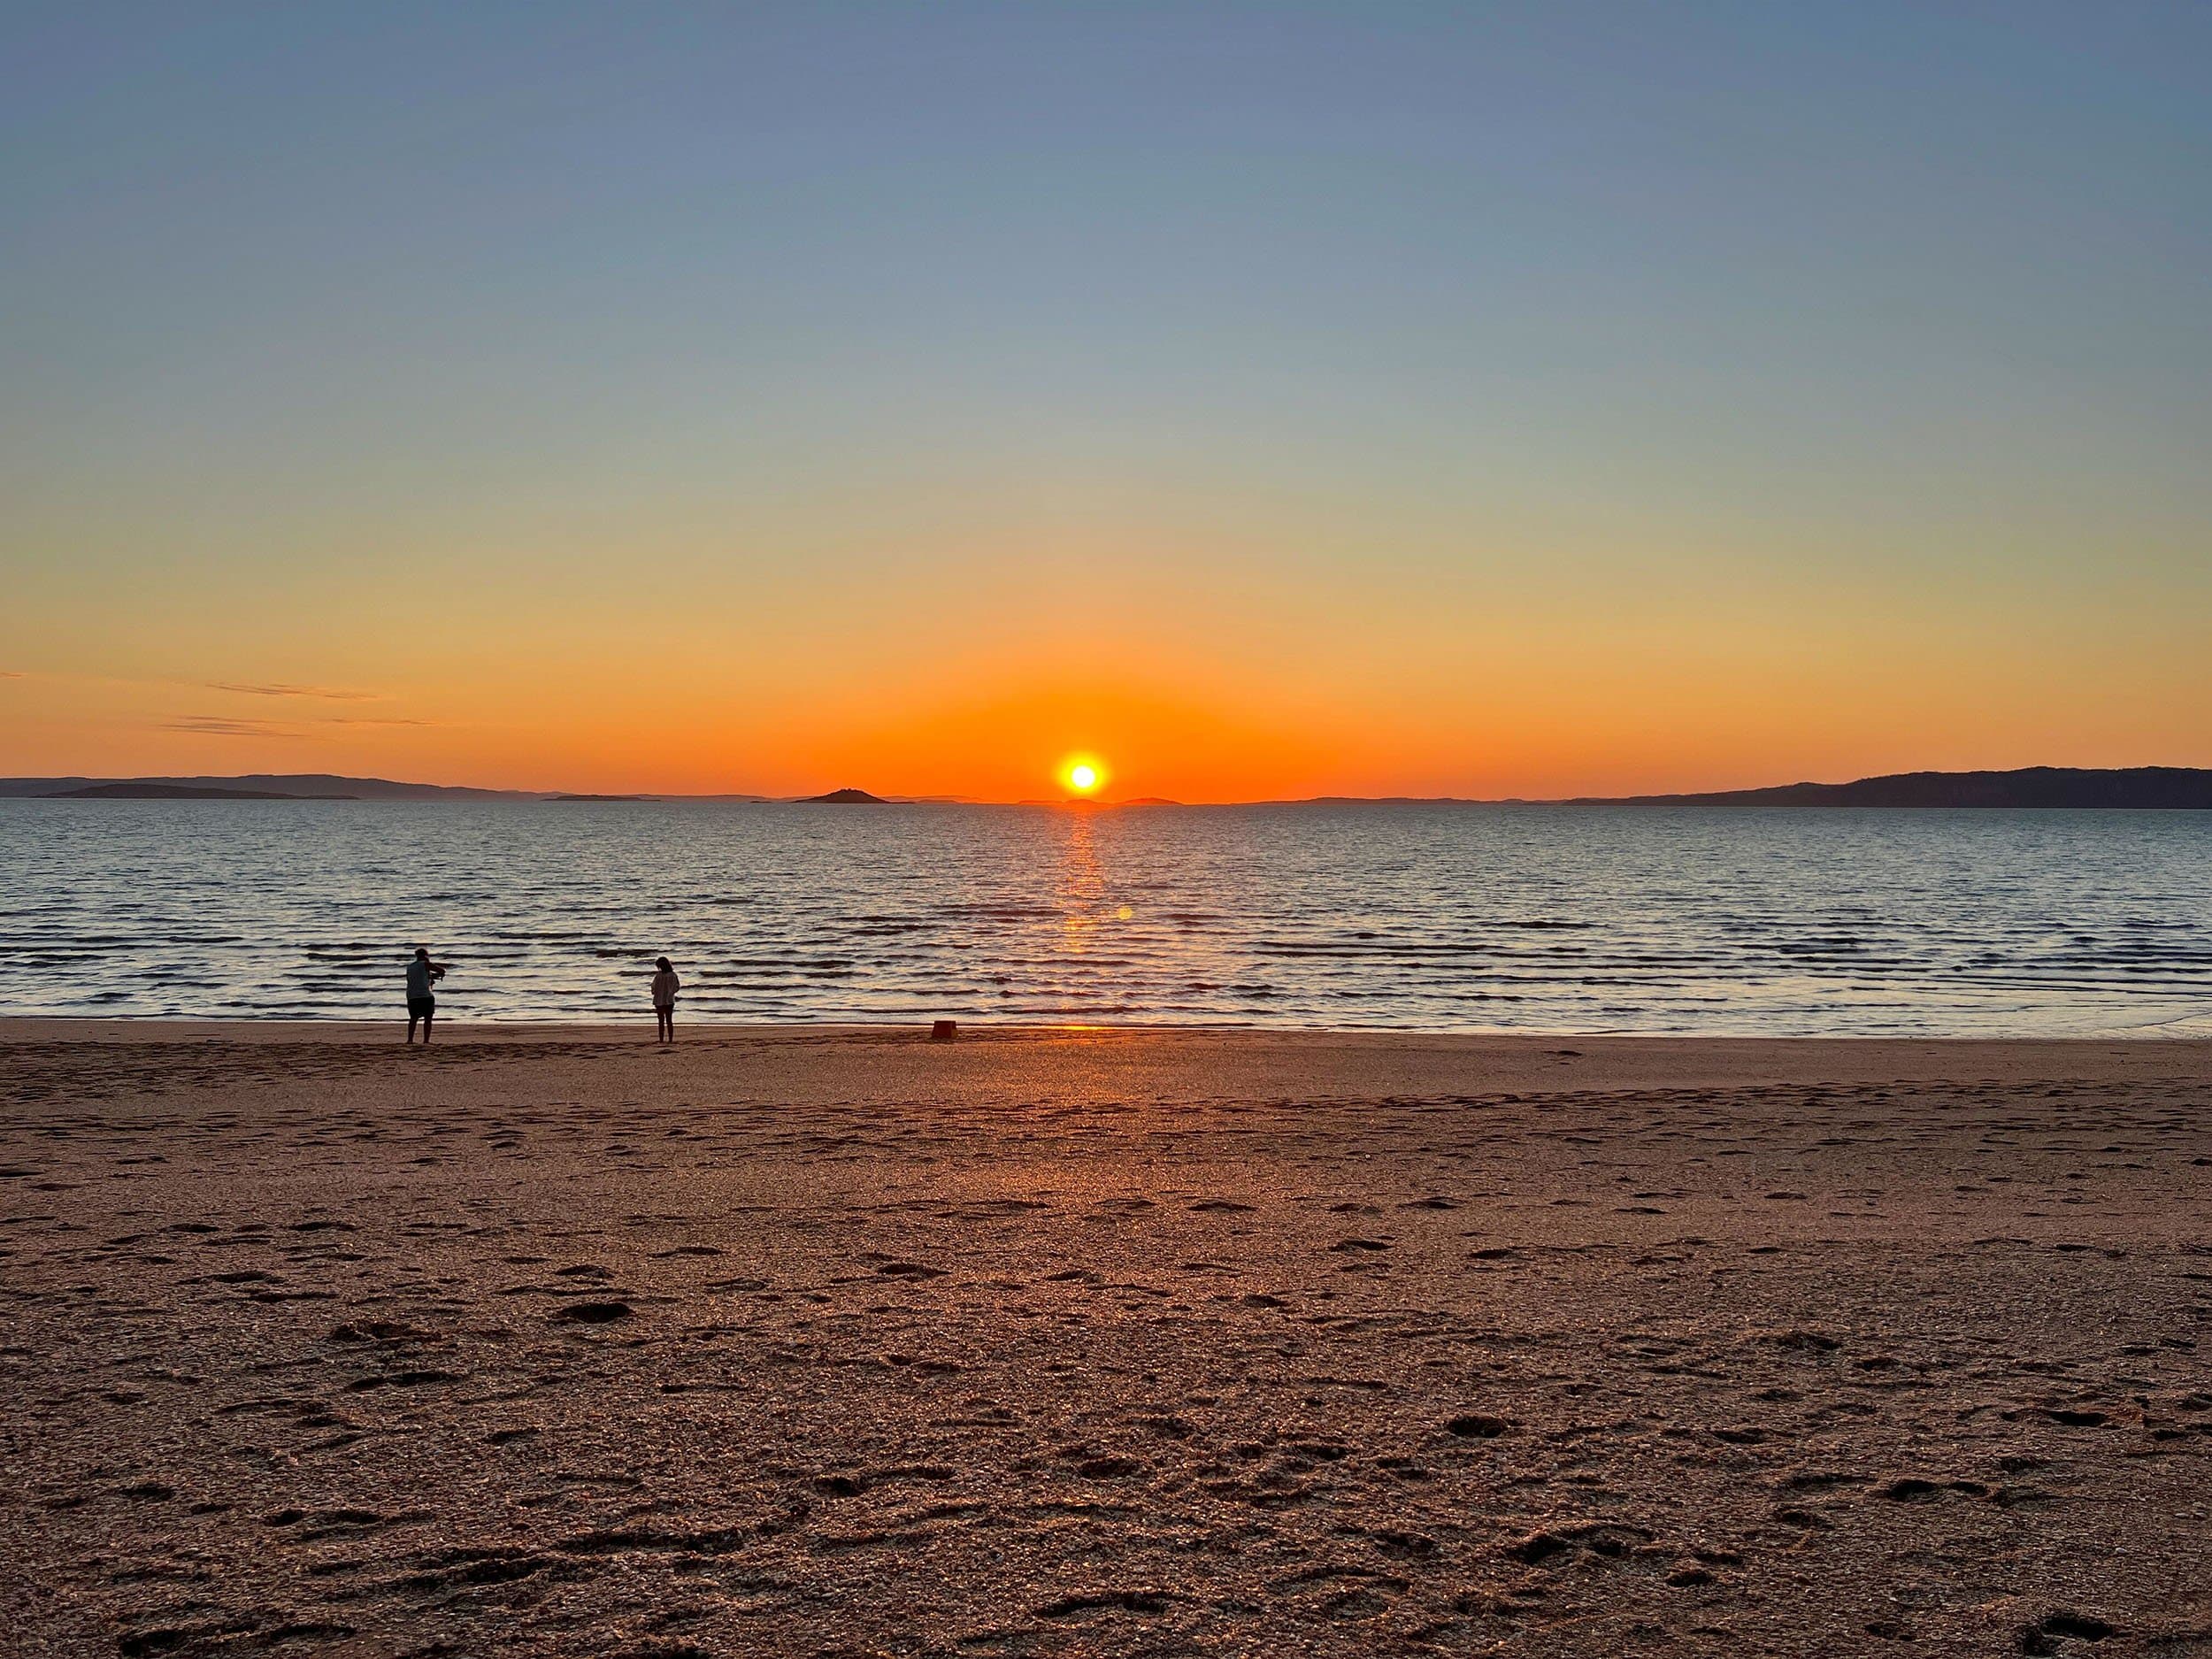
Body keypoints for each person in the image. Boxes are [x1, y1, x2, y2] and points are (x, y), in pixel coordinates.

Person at [405, 947, 448, 1044]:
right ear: (425, 956)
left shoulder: (410, 967)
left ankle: (410, 1039)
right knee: (428, 1018)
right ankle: (426, 1040)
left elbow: (415, 979)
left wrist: (429, 976)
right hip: (425, 995)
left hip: (412, 995)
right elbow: (442, 971)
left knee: (413, 1018)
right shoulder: (425, 964)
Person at [650, 956, 680, 1044]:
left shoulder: (658, 975)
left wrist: (655, 992)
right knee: (669, 1020)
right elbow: (677, 987)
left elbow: (653, 986)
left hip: (659, 1000)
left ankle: (661, 1039)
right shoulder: (673, 975)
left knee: (661, 1021)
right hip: (669, 1000)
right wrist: (671, 992)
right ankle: (670, 1039)